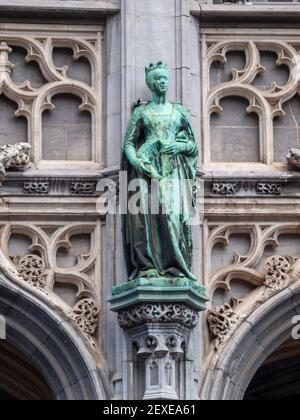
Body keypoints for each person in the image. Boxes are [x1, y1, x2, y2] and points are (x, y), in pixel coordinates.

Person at [123, 61, 198, 281]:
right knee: (148, 219)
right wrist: (137, 162)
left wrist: (179, 146)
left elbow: (193, 145)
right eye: (157, 79)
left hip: (174, 173)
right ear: (150, 83)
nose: (162, 82)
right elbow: (128, 143)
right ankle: (149, 266)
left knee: (174, 218)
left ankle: (174, 266)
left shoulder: (179, 113)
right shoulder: (141, 113)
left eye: (165, 78)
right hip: (147, 172)